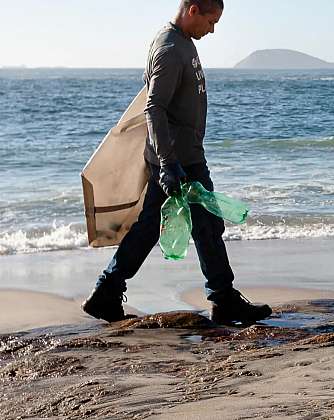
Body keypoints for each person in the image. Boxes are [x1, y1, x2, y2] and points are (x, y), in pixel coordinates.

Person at [82, 0, 272, 326]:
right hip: (178, 161)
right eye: (211, 22)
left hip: (184, 157)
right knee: (206, 226)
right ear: (193, 10)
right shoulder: (169, 49)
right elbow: (154, 108)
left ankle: (107, 292)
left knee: (160, 229)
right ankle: (223, 299)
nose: (212, 30)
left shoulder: (182, 41)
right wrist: (168, 164)